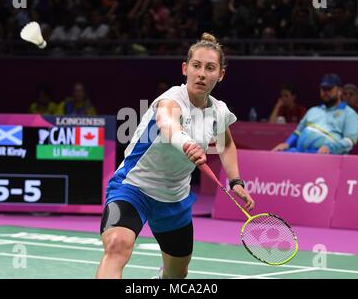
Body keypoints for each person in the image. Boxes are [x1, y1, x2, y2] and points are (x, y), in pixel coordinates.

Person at [96, 33, 255, 279]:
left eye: (210, 68)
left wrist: (236, 181)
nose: (202, 73)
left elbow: (226, 145)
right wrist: (187, 143)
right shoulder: (171, 99)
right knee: (117, 245)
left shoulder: (219, 111)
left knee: (176, 274)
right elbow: (167, 123)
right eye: (196, 66)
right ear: (185, 68)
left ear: (220, 74)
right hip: (133, 188)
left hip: (174, 198)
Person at [272, 74, 358, 154]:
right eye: (323, 89)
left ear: (339, 91)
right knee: (276, 155)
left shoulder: (350, 114)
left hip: (328, 157)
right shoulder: (313, 110)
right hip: (300, 152)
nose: (325, 92)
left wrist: (330, 148)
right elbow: (298, 132)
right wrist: (287, 144)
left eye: (329, 89)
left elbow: (349, 141)